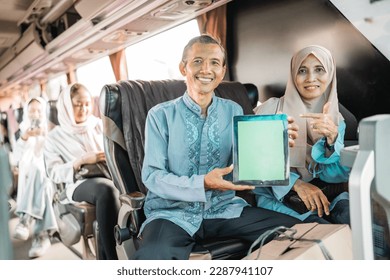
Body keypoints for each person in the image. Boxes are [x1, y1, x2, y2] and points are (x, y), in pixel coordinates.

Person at [132, 34, 300, 260]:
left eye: (214, 63)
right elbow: (153, 176)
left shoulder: (234, 110)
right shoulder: (160, 115)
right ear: (183, 68)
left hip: (224, 209)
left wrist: (274, 145)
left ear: (222, 71)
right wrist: (202, 183)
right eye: (197, 61)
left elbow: (248, 166)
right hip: (171, 213)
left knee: (297, 234)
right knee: (153, 256)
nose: (206, 69)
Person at [253, 45, 350, 225]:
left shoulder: (336, 119)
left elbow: (335, 176)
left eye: (319, 69)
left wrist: (332, 141)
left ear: (330, 74)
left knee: (358, 221)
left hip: (325, 194)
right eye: (302, 70)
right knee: (325, 233)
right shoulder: (269, 111)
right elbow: (254, 166)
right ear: (292, 75)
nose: (311, 78)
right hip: (279, 197)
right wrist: (298, 184)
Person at [43, 83, 120, 260]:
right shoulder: (54, 137)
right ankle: (112, 259)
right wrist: (81, 161)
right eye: (78, 104)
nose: (84, 109)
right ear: (67, 106)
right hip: (77, 183)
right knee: (106, 190)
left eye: (87, 104)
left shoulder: (99, 125)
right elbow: (53, 172)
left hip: (109, 173)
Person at [12, 97, 58, 258]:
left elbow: (55, 156)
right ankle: (42, 236)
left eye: (39, 110)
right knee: (42, 182)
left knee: (41, 173)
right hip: (30, 178)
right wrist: (24, 138)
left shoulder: (53, 130)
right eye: (32, 110)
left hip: (50, 174)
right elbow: (14, 160)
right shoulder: (20, 132)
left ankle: (25, 220)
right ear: (26, 112)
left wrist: (46, 136)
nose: (35, 114)